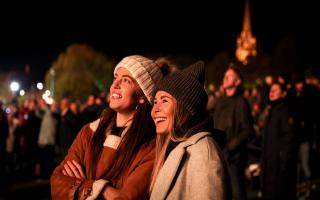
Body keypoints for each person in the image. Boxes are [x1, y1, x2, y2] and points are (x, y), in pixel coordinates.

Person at [51, 55, 163, 200]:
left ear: (143, 95)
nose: (115, 85)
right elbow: (56, 182)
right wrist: (104, 190)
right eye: (115, 77)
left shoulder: (150, 147)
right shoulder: (89, 132)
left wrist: (81, 186)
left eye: (126, 80)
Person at [150, 61, 231, 200]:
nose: (154, 110)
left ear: (185, 108)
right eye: (155, 102)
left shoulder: (203, 154)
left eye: (164, 101)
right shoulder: (172, 146)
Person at [213, 64, 254, 200]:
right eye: (225, 75)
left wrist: (230, 147)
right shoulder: (220, 102)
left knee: (237, 194)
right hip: (218, 156)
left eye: (229, 76)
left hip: (233, 160)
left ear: (237, 82)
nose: (225, 78)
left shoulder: (241, 102)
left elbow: (248, 132)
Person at [260, 82, 297, 199]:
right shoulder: (271, 111)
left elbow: (288, 140)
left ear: (283, 94)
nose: (272, 92)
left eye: (275, 90)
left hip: (279, 168)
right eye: (271, 90)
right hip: (268, 165)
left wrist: (283, 164)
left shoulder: (285, 111)